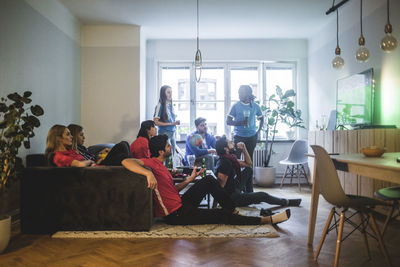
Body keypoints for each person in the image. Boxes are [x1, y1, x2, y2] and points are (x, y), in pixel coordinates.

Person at [122, 134, 291, 226]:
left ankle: (232, 209)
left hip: (180, 203)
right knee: (219, 215)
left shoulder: (162, 166)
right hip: (175, 214)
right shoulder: (151, 163)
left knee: (209, 180)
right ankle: (265, 220)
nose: (171, 147)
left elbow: (173, 191)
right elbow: (126, 161)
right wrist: (148, 174)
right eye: (168, 146)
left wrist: (191, 179)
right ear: (160, 151)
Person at [215, 135, 301, 208]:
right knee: (262, 195)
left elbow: (248, 164)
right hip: (233, 198)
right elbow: (220, 187)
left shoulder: (230, 158)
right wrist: (215, 207)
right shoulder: (225, 162)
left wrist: (244, 149)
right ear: (226, 148)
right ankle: (286, 202)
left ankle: (250, 195)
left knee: (248, 170)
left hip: (234, 188)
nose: (233, 143)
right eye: (230, 142)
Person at [227, 85, 264, 161]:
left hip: (251, 137)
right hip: (239, 137)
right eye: (238, 93)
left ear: (248, 94)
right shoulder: (236, 106)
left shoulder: (255, 106)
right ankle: (237, 173)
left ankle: (247, 173)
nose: (239, 95)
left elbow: (261, 118)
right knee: (236, 160)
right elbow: (228, 121)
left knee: (249, 161)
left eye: (241, 93)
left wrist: (258, 131)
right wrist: (241, 123)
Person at [153, 85, 180, 158]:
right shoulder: (160, 105)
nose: (170, 94)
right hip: (164, 133)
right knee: (166, 156)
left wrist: (174, 123)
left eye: (171, 92)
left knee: (172, 155)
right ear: (163, 94)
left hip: (172, 133)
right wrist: (172, 123)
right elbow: (156, 122)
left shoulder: (170, 105)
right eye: (168, 92)